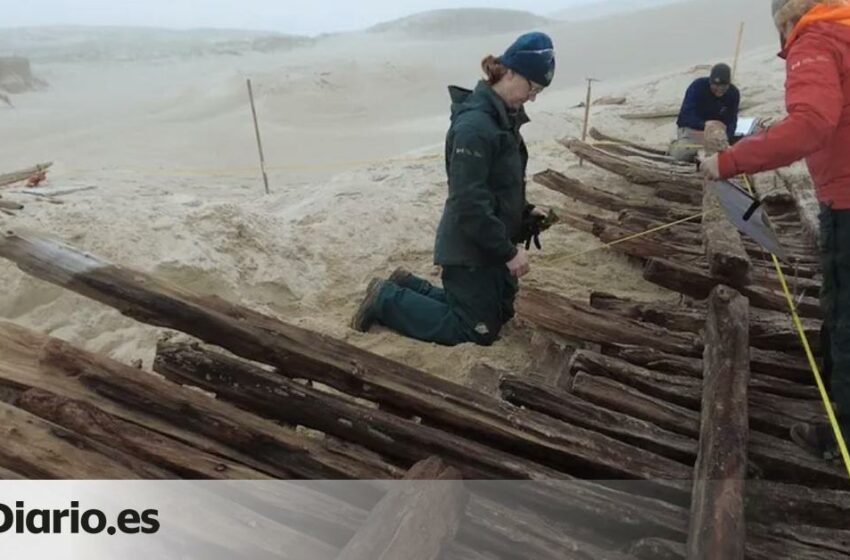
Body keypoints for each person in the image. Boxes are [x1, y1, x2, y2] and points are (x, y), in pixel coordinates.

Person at [701, 0, 850, 462]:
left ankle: (843, 433)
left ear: (788, 17)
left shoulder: (817, 40)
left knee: (845, 314)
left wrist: (725, 161)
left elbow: (809, 125)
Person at [349, 31, 555, 346]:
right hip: (470, 247)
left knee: (498, 315)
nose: (532, 97)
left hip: (491, 241)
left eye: (539, 91)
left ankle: (409, 285)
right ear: (511, 71)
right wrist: (508, 252)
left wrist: (525, 212)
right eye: (532, 87)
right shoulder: (475, 127)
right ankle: (386, 300)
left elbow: (499, 184)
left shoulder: (504, 120)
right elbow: (468, 201)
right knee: (475, 331)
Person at [669, 63, 741, 162]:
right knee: (680, 154)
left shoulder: (733, 93)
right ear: (710, 81)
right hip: (693, 131)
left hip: (717, 135)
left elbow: (732, 121)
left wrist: (727, 138)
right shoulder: (697, 87)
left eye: (723, 86)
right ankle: (675, 145)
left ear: (728, 84)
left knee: (727, 156)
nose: (719, 90)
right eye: (715, 86)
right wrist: (704, 125)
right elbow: (684, 117)